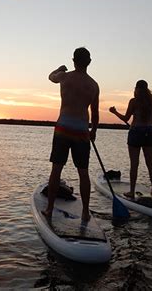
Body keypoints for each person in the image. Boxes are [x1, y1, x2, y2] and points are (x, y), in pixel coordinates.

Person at [42, 47, 100, 222]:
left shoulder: (64, 77)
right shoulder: (93, 85)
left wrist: (60, 68)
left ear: (73, 61)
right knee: (83, 172)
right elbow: (95, 113)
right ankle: (85, 212)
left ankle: (50, 209)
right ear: (89, 62)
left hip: (63, 128)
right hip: (82, 131)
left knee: (56, 170)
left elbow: (50, 76)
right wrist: (93, 131)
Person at [109, 80, 152, 199]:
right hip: (149, 134)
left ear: (136, 88)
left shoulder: (134, 101)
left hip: (135, 133)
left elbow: (126, 118)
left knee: (134, 164)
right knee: (150, 163)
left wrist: (114, 112)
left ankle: (131, 191)